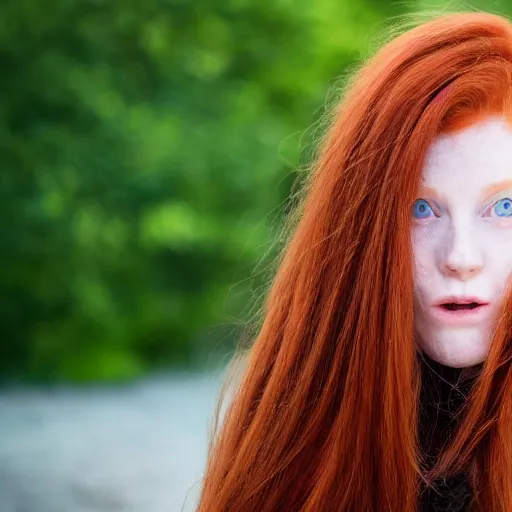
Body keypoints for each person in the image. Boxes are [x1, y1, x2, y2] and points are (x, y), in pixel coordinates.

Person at [197, 11, 512, 511]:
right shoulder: (295, 448)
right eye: (420, 208)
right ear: (364, 227)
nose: (461, 258)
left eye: (504, 207)